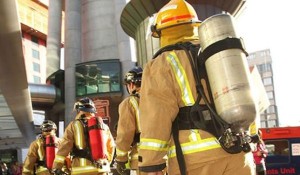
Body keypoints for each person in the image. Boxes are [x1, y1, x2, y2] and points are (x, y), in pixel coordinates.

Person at [138, 0, 256, 174]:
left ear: (161, 32)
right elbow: (248, 99)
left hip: (195, 161)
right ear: (194, 26)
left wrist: (151, 164)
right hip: (239, 154)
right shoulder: (218, 54)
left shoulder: (162, 63)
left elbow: (156, 118)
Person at [52, 97, 115, 175]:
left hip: (81, 170)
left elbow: (64, 147)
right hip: (102, 169)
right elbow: (111, 146)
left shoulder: (73, 126)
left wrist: (57, 167)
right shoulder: (104, 127)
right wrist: (106, 161)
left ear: (79, 111)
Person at [115, 67, 143, 175]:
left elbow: (125, 134)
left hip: (142, 160)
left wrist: (121, 159)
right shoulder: (159, 98)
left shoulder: (130, 102)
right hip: (167, 158)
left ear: (131, 85)